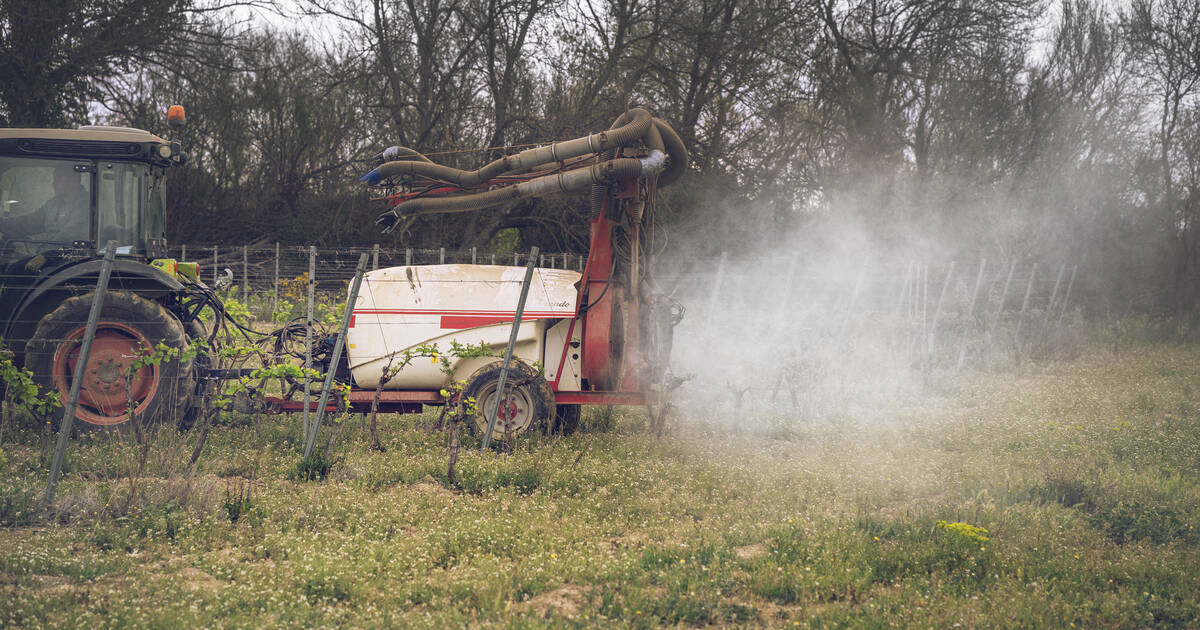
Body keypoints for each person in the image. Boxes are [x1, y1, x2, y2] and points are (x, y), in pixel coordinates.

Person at [0, 164, 90, 271]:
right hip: (48, 253)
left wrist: (46, 255)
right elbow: (30, 222)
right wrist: (3, 224)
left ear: (74, 180)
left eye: (59, 178)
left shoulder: (87, 205)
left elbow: (70, 234)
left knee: (15, 271)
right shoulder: (53, 204)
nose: (54, 183)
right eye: (55, 178)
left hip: (68, 258)